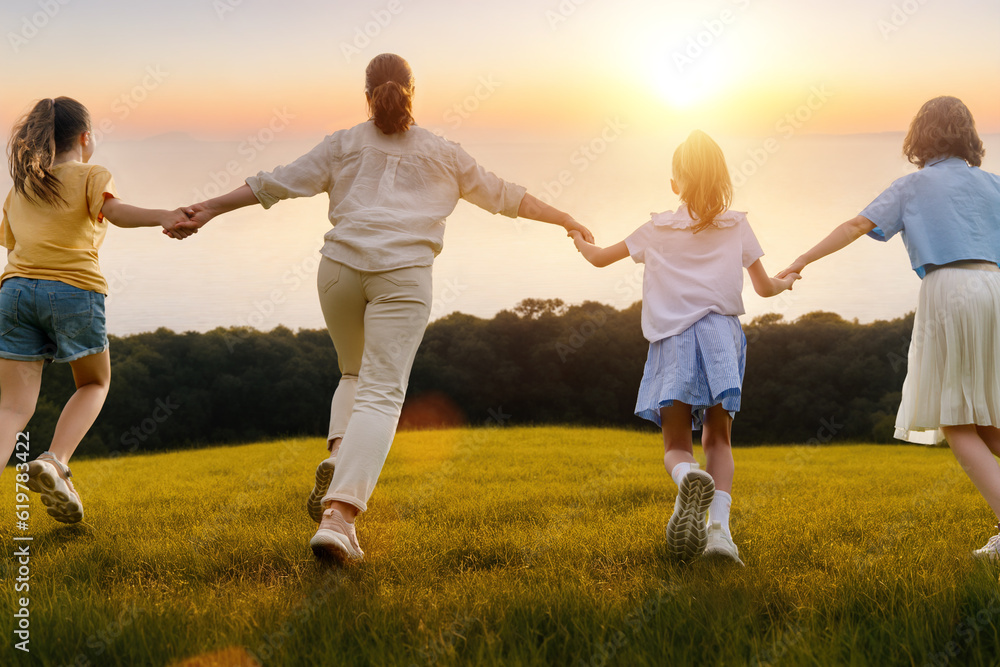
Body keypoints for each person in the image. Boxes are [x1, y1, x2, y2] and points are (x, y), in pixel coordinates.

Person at [176, 53, 593, 564]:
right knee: (381, 395)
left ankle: (338, 454)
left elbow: (274, 183)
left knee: (352, 373)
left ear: (366, 93)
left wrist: (209, 208)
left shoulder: (343, 143)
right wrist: (566, 218)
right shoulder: (444, 152)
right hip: (402, 278)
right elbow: (508, 198)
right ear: (412, 92)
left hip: (337, 273)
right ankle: (339, 517)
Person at [778, 96, 1000, 560]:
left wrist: (801, 260)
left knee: (958, 421)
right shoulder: (992, 184)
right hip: (996, 287)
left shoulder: (912, 186)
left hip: (951, 288)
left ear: (921, 136)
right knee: (990, 422)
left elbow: (856, 224)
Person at [570, 130, 798, 565]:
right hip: (722, 340)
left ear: (675, 183)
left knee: (676, 442)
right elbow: (766, 288)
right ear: (723, 178)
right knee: (719, 440)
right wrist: (787, 282)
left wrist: (577, 236)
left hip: (673, 339)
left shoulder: (656, 228)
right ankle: (720, 536)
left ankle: (688, 476)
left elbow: (599, 257)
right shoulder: (738, 225)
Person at [0, 96, 192, 523]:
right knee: (94, 384)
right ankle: (55, 459)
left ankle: (52, 464)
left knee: (11, 409)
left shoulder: (22, 187)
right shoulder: (92, 174)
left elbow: (14, 244)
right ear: (85, 138)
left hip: (12, 292)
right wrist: (165, 215)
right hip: (73, 290)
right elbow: (116, 212)